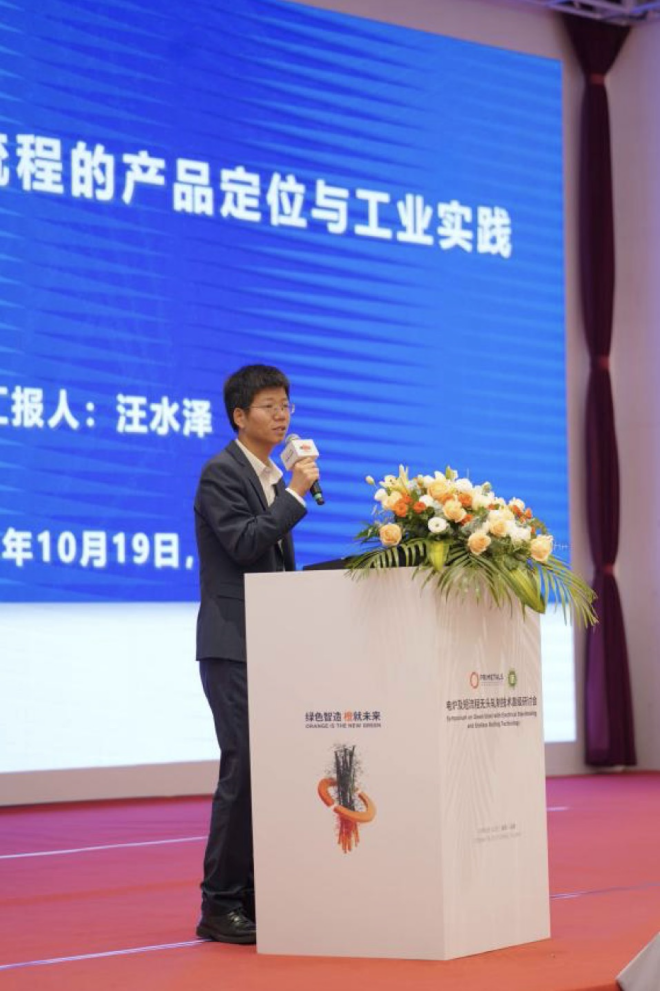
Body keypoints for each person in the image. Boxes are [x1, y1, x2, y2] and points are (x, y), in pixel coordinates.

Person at [193, 364, 319, 945]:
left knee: (266, 772)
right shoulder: (222, 472)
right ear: (240, 415)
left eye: (286, 405)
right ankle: (219, 904)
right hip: (233, 643)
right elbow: (245, 545)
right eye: (270, 406)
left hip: (269, 643)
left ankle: (247, 895)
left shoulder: (268, 474)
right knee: (242, 767)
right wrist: (295, 493)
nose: (282, 415)